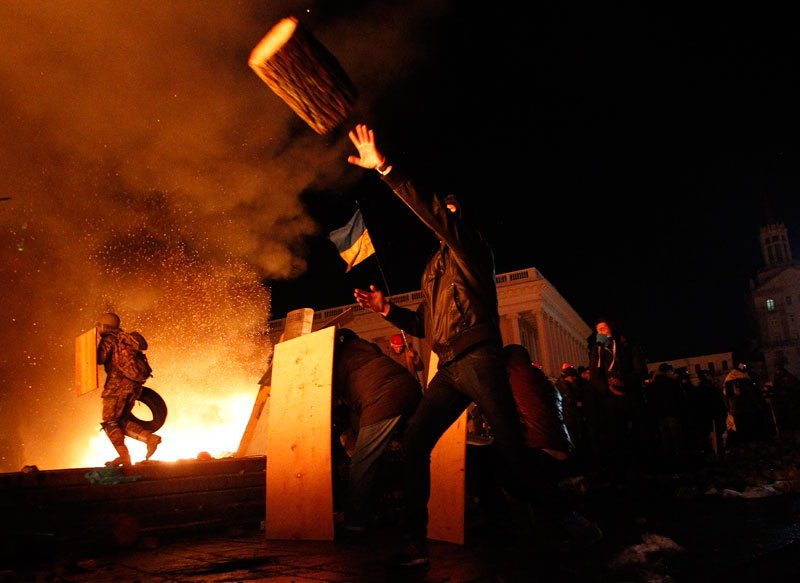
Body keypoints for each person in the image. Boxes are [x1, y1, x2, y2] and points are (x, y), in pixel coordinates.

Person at [347, 124, 600, 567]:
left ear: (457, 216)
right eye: (442, 210)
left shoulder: (473, 250)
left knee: (513, 458)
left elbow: (435, 214)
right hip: (449, 366)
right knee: (414, 443)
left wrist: (385, 169)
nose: (444, 214)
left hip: (480, 357)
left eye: (448, 210)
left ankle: (568, 518)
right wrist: (387, 311)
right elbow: (427, 323)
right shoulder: (432, 271)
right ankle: (415, 542)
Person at [332, 328, 422, 533]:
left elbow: (331, 394)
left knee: (362, 462)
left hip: (383, 401)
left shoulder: (340, 358)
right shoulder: (369, 352)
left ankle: (355, 521)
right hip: (409, 391)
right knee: (414, 455)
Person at [96, 312, 161, 467]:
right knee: (121, 420)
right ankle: (149, 438)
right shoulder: (126, 340)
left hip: (117, 387)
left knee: (109, 421)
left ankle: (124, 456)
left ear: (104, 326)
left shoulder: (109, 340)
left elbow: (100, 359)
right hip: (134, 387)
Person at [587, 317, 649, 473]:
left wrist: (624, 383)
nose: (600, 332)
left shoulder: (628, 345)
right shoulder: (597, 350)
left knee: (639, 434)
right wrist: (608, 388)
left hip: (631, 396)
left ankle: (643, 467)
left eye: (603, 329)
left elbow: (640, 371)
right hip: (610, 400)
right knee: (616, 436)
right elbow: (594, 377)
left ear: (612, 328)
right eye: (598, 330)